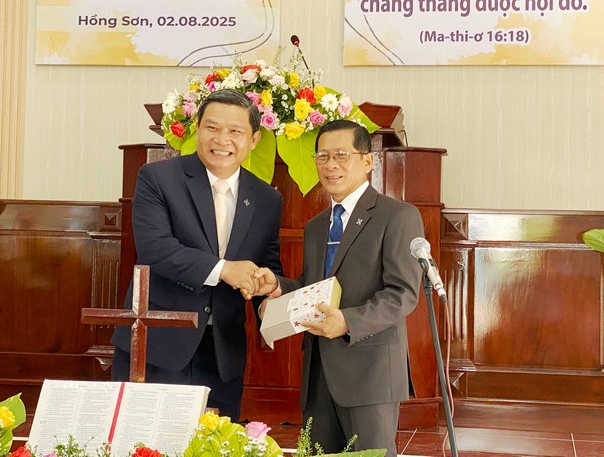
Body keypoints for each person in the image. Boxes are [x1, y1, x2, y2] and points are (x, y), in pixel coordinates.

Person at [249, 120, 424, 455]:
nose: (330, 165)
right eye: (323, 156)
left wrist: (346, 322)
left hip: (370, 373)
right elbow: (314, 287)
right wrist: (279, 286)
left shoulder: (397, 216)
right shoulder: (316, 226)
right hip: (318, 375)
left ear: (367, 160)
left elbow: (402, 294)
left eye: (341, 155)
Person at [111, 89, 283, 421]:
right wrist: (225, 270)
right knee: (144, 440)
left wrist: (269, 287)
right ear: (197, 129)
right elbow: (156, 249)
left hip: (222, 355)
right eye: (212, 128)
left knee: (217, 442)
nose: (222, 139)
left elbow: (268, 265)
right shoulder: (158, 178)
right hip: (158, 344)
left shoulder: (267, 199)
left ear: (254, 140)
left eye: (235, 131)